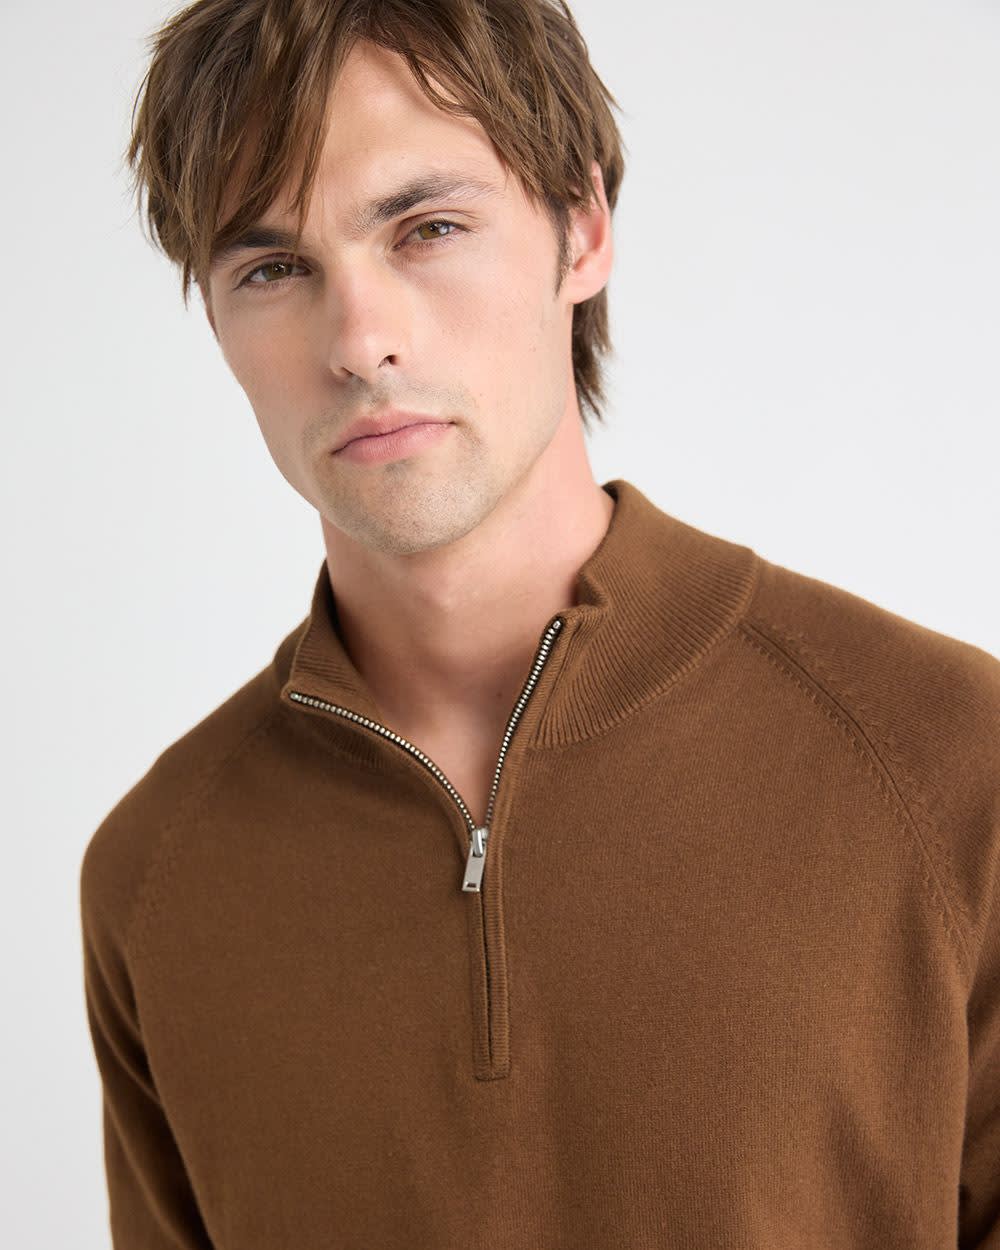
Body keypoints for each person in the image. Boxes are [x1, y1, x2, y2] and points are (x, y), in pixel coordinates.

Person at [79, 1, 999, 1247]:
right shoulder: (158, 879)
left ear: (583, 227)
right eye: (274, 268)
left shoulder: (945, 761)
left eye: (428, 229)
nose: (360, 340)